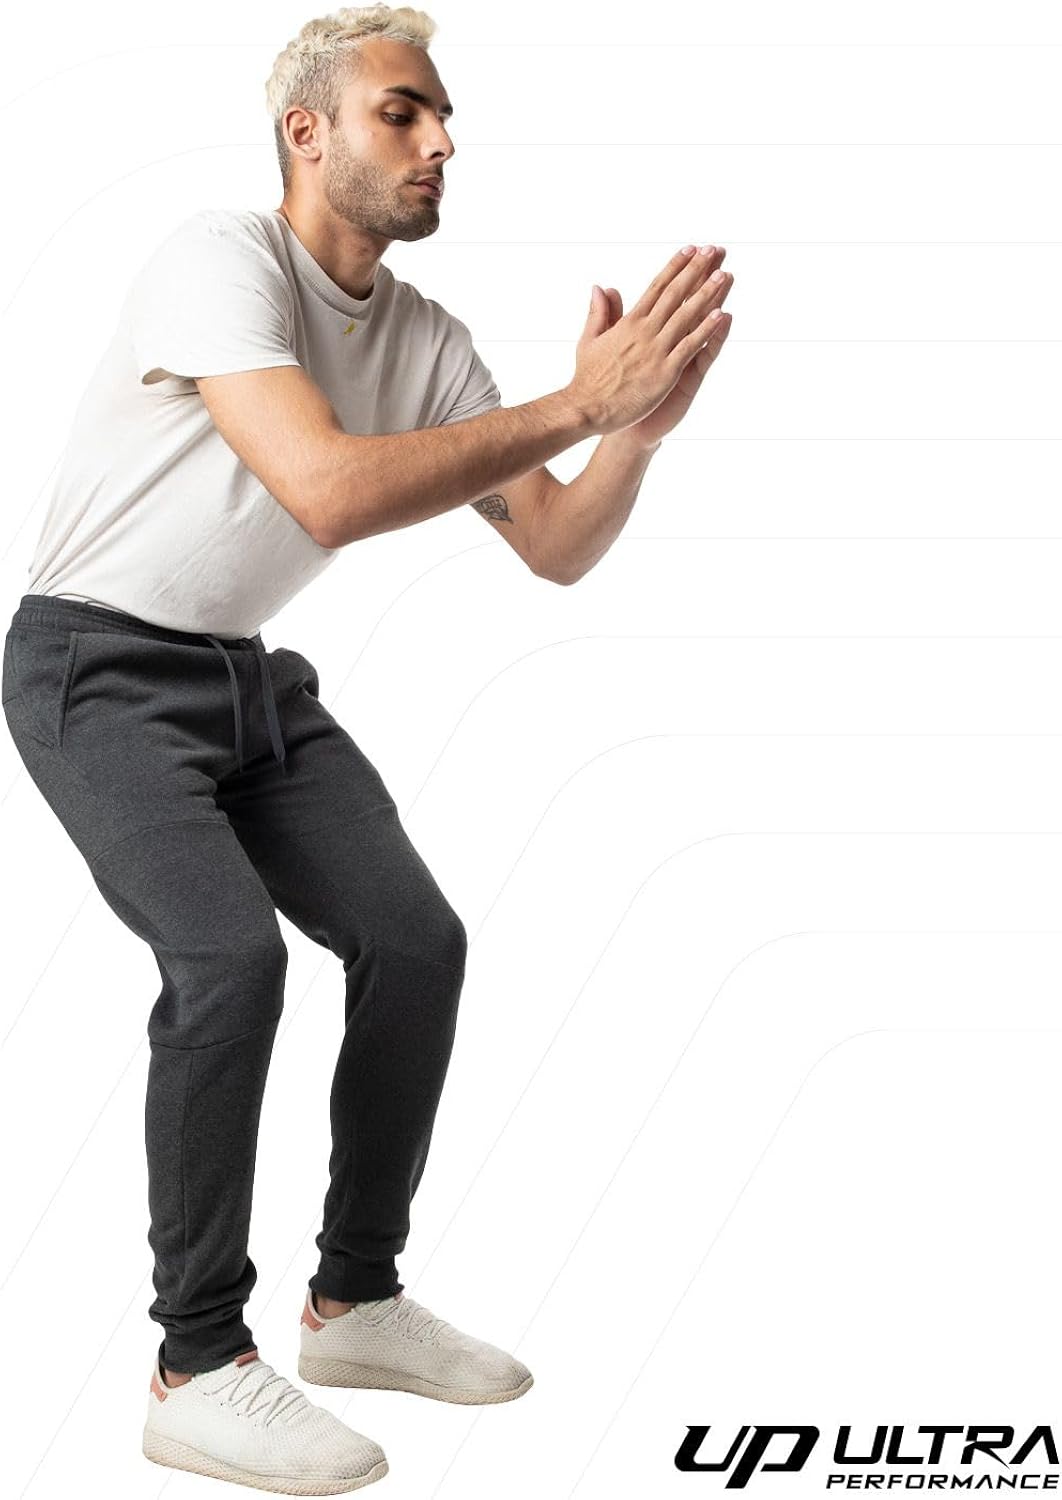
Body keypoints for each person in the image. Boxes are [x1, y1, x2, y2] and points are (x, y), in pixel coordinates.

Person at [2, 4, 733, 1493]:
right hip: (93, 668)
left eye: (443, 116)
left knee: (414, 941)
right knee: (230, 963)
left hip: (248, 681)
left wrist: (629, 436)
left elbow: (554, 547)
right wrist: (573, 401)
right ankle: (195, 1364)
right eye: (403, 112)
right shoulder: (219, 259)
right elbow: (326, 491)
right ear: (307, 133)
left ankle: (352, 1301)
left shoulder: (427, 341)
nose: (440, 141)